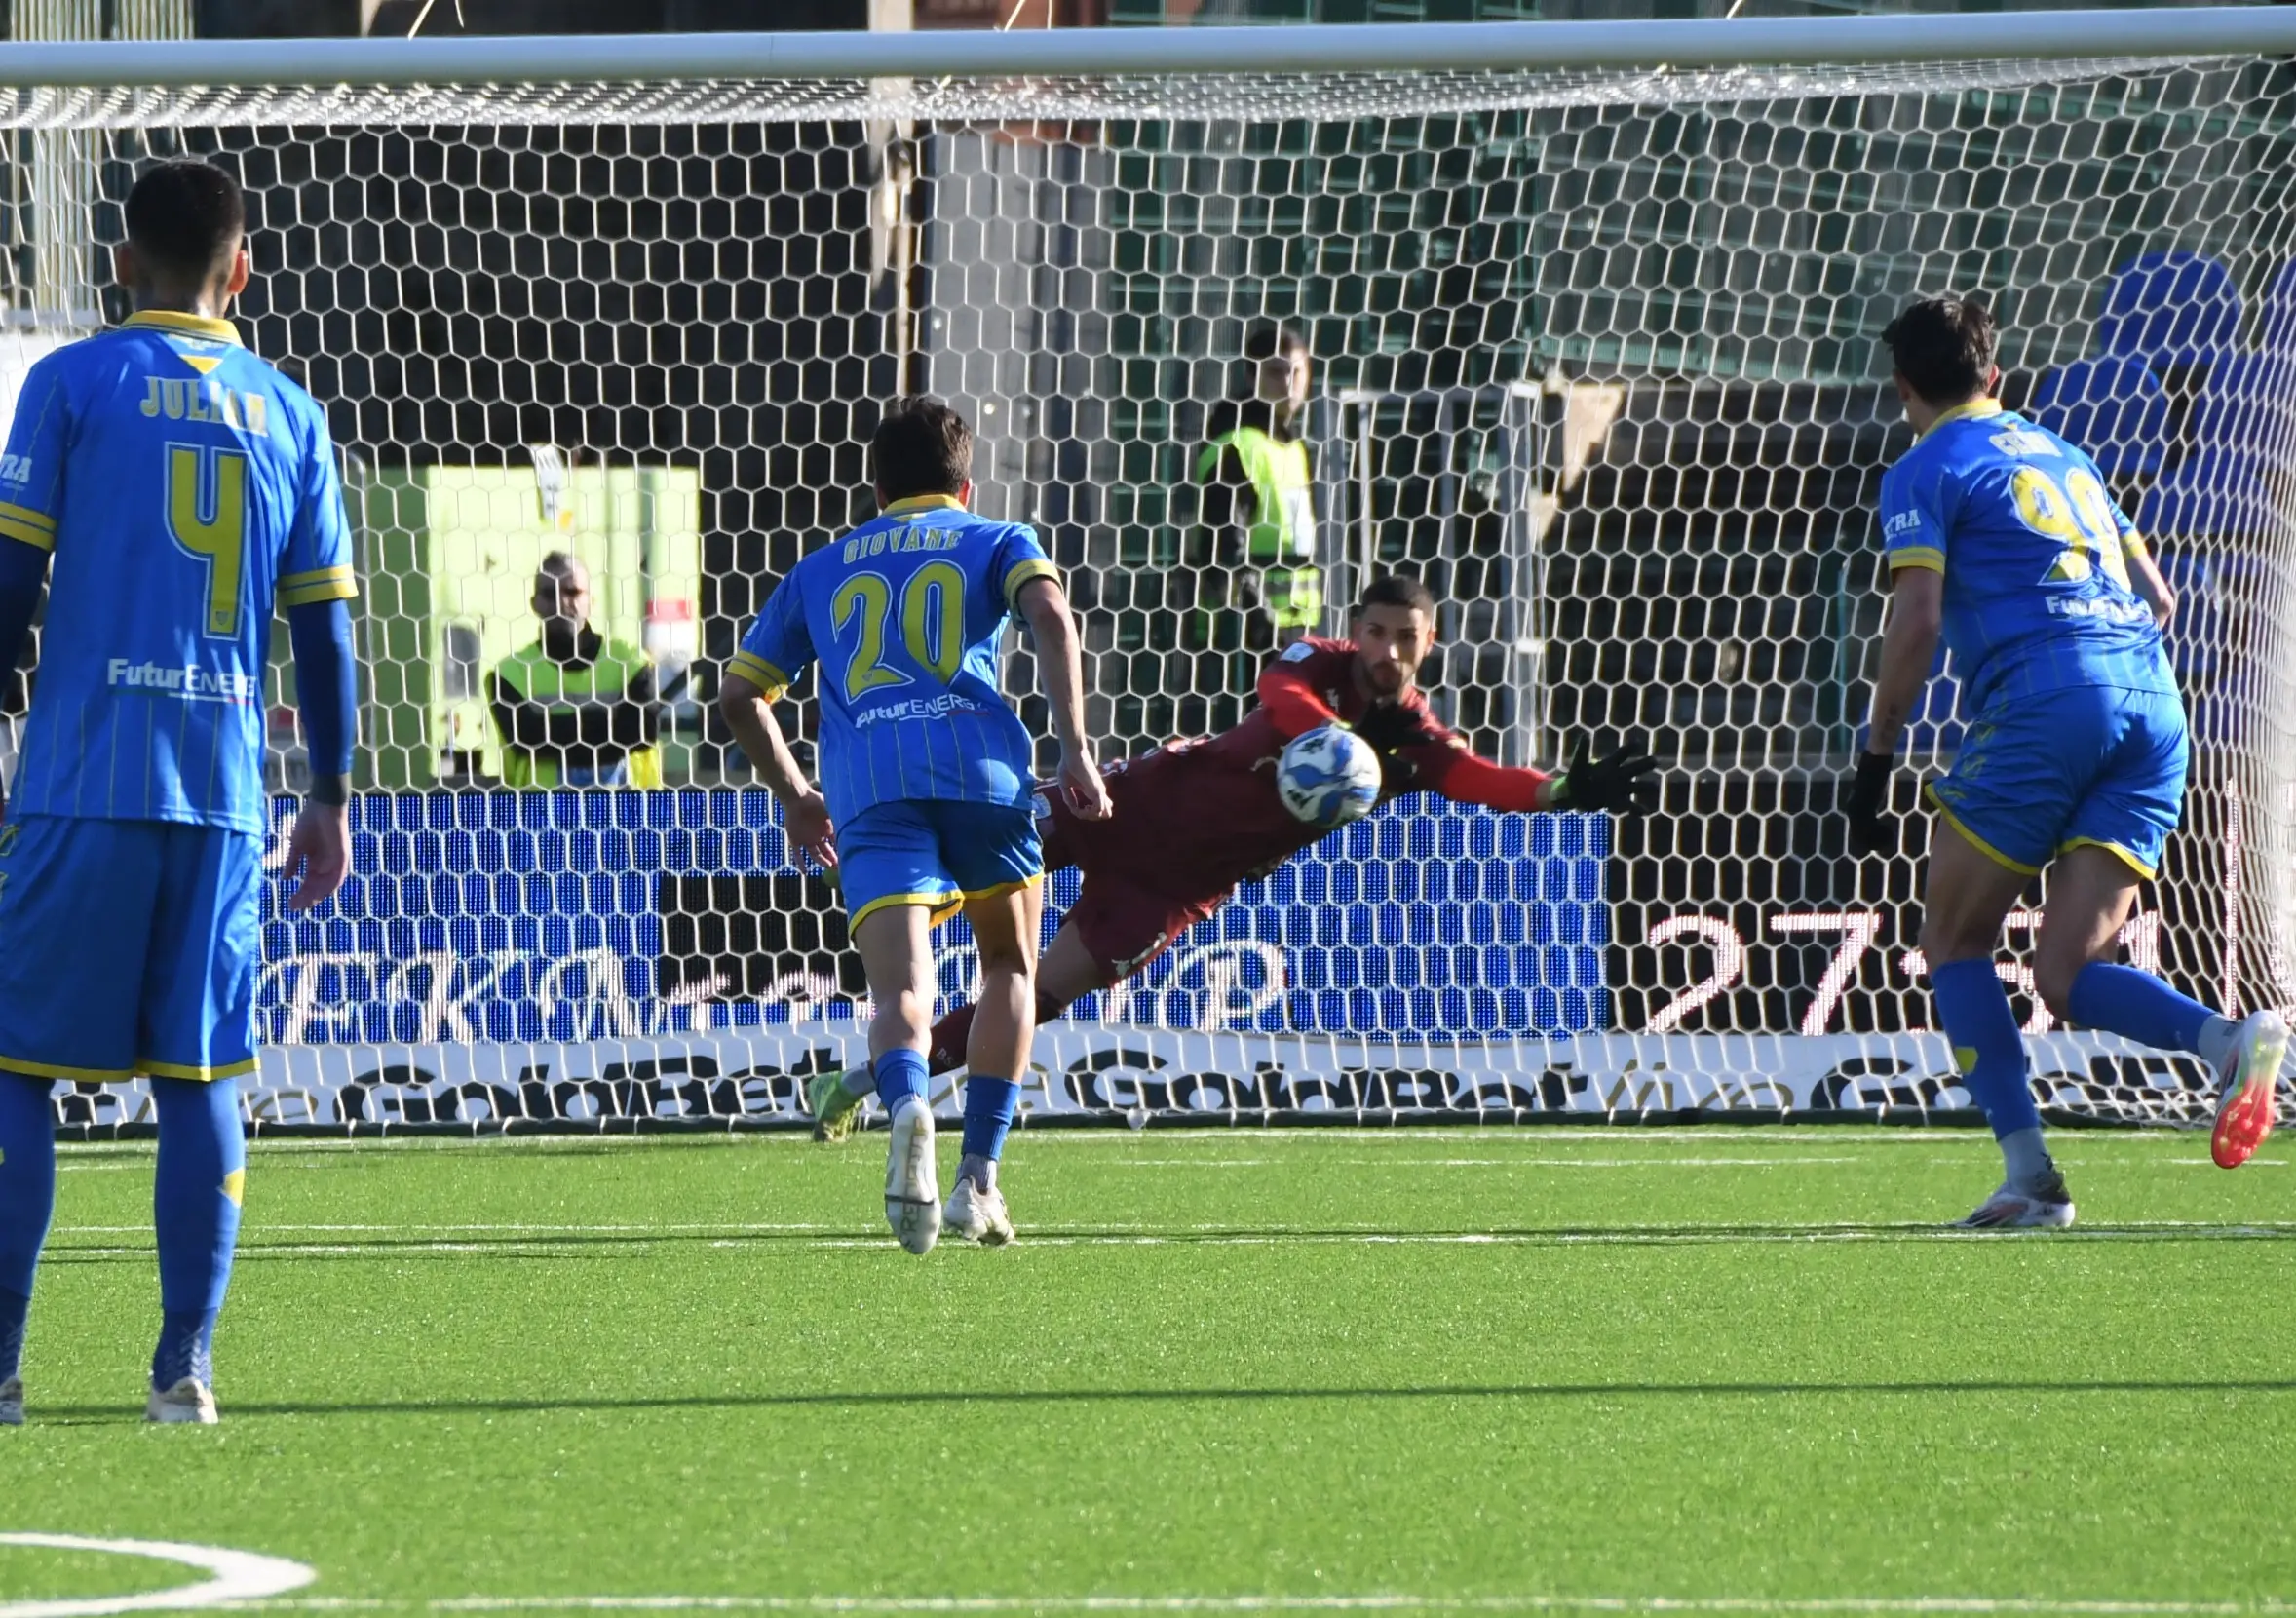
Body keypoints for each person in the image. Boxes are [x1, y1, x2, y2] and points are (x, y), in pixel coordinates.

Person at [807, 573, 1659, 1150]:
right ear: (1355, 631)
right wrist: (1330, 737)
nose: (1388, 650)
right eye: (1377, 632)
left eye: (1407, 637)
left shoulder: (1414, 746)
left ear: (1429, 643)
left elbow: (1479, 779)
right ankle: (882, 984)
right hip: (1127, 804)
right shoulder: (1315, 668)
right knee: (955, 876)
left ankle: (866, 1081)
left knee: (1036, 993)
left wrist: (1559, 790)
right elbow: (1277, 695)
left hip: (1173, 892)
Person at [0, 160, 358, 1425]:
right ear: (243, 269)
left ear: (119, 265)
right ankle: (182, 1371)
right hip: (222, 798)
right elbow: (324, 637)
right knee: (202, 1079)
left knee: (15, 1073)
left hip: (80, 784)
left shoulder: (71, 385)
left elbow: (8, 587)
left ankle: (0, 1373)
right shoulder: (291, 413)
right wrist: (331, 791)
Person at [1844, 292, 2284, 1229]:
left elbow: (1917, 620)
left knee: (1955, 942)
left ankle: (2032, 1179)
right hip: (2155, 705)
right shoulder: (2068, 457)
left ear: (1904, 386)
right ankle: (2228, 1037)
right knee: (2065, 975)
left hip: (2050, 701)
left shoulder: (1925, 469)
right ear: (1994, 377)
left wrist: (1877, 758)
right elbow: (2159, 598)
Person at [719, 398, 1109, 1255]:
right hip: (982, 778)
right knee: (1010, 964)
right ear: (965, 483)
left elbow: (739, 694)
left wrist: (795, 797)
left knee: (899, 990)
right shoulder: (996, 537)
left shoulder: (821, 569)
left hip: (870, 789)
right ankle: (978, 1180)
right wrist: (1077, 748)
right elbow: (1050, 615)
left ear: (877, 486)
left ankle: (902, 1106)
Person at [1188, 322, 1320, 663]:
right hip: (1246, 637)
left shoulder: (1291, 447)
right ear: (1251, 376)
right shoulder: (1239, 446)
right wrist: (1252, 612)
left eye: (1297, 371)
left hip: (1292, 628)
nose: (1289, 383)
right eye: (1276, 372)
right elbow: (1224, 543)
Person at [491, 551, 663, 788]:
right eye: (550, 594)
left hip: (629, 814)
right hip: (542, 816)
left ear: (591, 600)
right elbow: (527, 739)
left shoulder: (631, 661)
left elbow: (642, 732)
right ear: (535, 604)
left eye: (572, 592)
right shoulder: (511, 673)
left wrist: (554, 730)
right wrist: (610, 722)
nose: (562, 603)